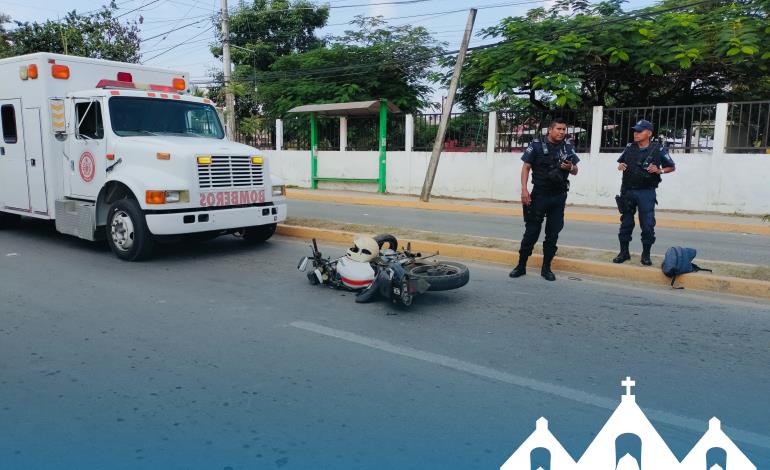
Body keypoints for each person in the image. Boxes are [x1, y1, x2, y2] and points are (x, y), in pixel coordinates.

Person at [509, 118, 579, 281]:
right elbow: (526, 167)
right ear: (550, 130)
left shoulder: (567, 147)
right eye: (559, 129)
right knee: (531, 232)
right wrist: (524, 190)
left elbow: (575, 170)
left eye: (564, 129)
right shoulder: (537, 145)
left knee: (552, 234)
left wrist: (571, 167)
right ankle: (521, 266)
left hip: (559, 196)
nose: (562, 132)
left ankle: (546, 268)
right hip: (539, 194)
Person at [612, 119, 676, 266]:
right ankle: (624, 253)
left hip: (646, 192)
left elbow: (671, 167)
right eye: (635, 131)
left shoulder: (657, 149)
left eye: (639, 131)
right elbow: (621, 163)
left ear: (649, 133)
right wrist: (620, 166)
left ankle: (646, 254)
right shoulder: (630, 147)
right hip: (628, 191)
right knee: (626, 223)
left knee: (647, 225)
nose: (636, 133)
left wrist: (659, 170)